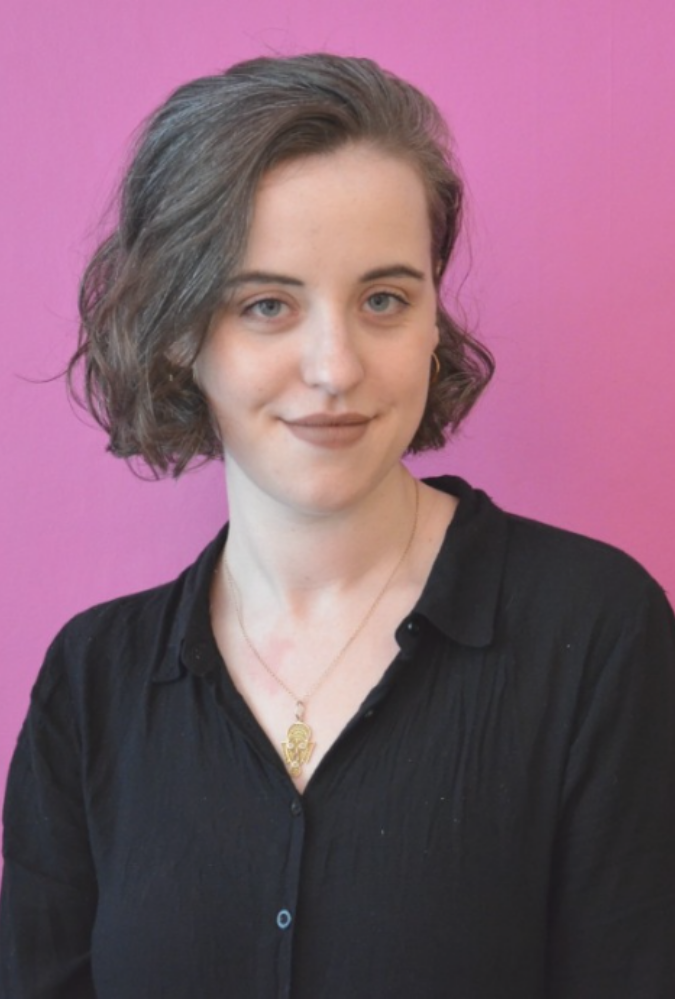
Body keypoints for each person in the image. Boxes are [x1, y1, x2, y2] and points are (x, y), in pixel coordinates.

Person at [1, 53, 674, 999]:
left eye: (383, 300)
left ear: (434, 318)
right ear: (182, 332)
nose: (335, 366)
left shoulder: (597, 630)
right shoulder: (92, 682)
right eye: (266, 304)